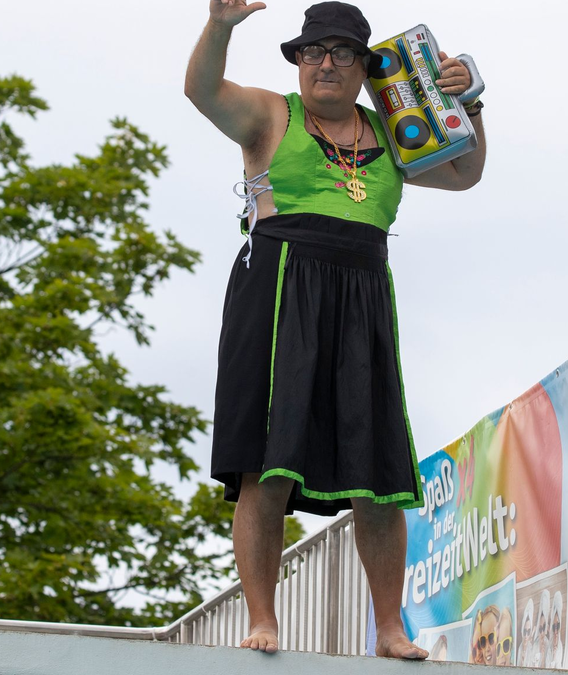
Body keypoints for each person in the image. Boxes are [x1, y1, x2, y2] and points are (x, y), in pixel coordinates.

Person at [185, 0, 485, 659]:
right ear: (297, 63)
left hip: (362, 291)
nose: (325, 65)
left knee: (378, 466)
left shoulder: (396, 130)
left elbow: (464, 173)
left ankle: (389, 629)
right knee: (265, 462)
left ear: (363, 66)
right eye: (313, 53)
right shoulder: (271, 116)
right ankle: (263, 618)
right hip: (279, 281)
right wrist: (222, 27)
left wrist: (471, 103)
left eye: (342, 54)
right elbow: (201, 91)